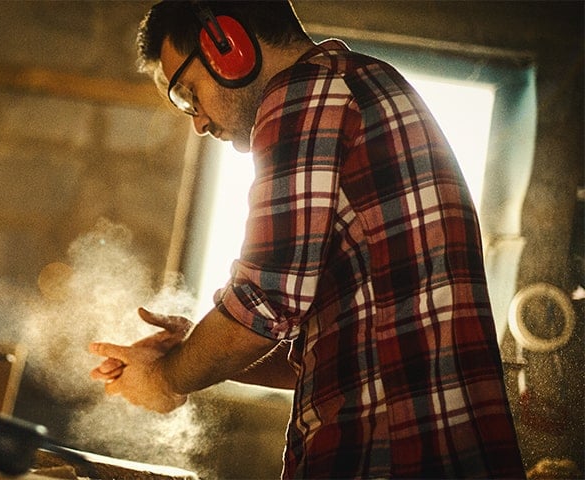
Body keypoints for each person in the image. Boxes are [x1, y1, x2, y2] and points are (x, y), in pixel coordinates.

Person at [88, 1, 527, 478]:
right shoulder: (356, 85)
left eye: (190, 94)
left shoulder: (306, 93)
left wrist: (163, 379)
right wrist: (190, 347)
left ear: (228, 48)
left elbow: (265, 304)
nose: (197, 122)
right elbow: (319, 363)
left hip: (390, 458)